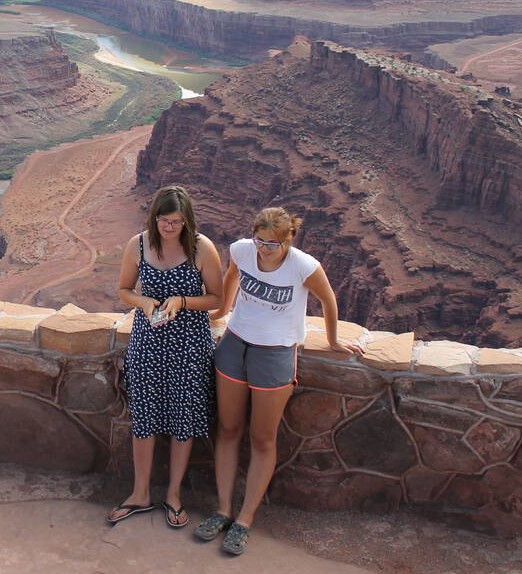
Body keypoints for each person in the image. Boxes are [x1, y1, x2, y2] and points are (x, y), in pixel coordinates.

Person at [193, 207, 363, 555]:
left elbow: (328, 299)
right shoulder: (242, 249)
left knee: (262, 438)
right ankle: (223, 510)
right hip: (235, 345)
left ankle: (244, 519)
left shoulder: (303, 266)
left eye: (272, 243)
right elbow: (232, 277)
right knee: (227, 429)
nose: (264, 249)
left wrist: (332, 340)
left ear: (289, 238)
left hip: (275, 353)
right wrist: (224, 311)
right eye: (260, 240)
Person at [107, 185, 223, 529]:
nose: (170, 227)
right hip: (149, 341)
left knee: (182, 420)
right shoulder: (138, 244)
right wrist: (143, 303)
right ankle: (140, 493)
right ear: (154, 217)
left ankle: (173, 494)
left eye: (176, 222)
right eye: (164, 220)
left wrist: (181, 302)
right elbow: (125, 289)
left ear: (187, 221)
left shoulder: (202, 247)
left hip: (189, 344)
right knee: (144, 416)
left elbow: (216, 297)